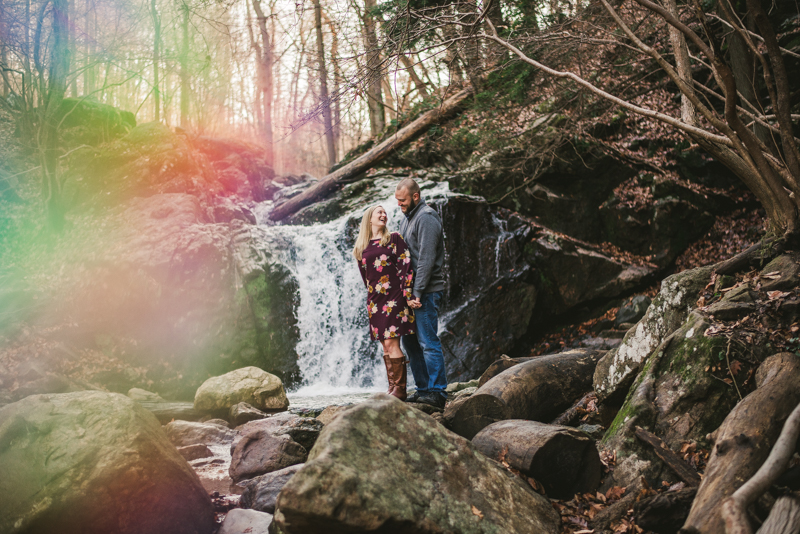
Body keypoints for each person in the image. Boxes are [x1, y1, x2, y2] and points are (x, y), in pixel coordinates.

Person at [353, 204, 415, 401]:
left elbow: (406, 263)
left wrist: (407, 290)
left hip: (394, 296)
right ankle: (392, 387)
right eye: (378, 212)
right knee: (384, 345)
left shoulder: (394, 238)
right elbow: (366, 277)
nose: (383, 214)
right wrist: (372, 296)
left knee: (391, 341)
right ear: (369, 219)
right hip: (375, 299)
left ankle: (401, 391)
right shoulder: (361, 247)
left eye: (384, 212)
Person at [395, 178, 448, 409]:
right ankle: (423, 388)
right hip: (411, 294)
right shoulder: (408, 219)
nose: (400, 205)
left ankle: (438, 392)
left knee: (428, 341)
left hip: (425, 292)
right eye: (397, 201)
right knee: (411, 343)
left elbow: (426, 259)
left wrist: (416, 292)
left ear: (415, 196)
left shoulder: (426, 217)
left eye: (403, 200)